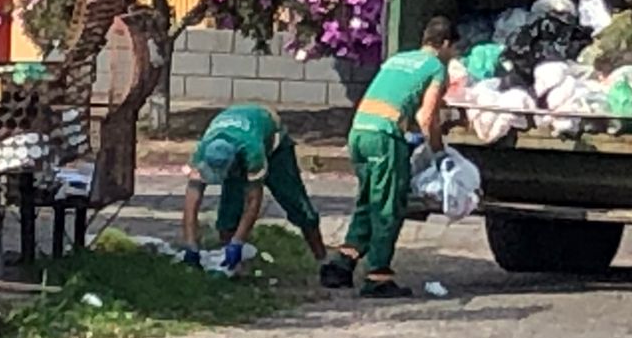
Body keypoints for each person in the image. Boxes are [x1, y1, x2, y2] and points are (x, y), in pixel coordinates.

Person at [321, 16, 458, 298]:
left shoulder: (398, 59)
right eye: (453, 49)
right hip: (384, 137)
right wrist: (439, 152)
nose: (452, 55)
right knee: (387, 206)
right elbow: (426, 116)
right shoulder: (435, 67)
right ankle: (378, 277)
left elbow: (396, 98)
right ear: (445, 44)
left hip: (359, 131)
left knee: (367, 199)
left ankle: (343, 263)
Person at [181, 104, 327, 276]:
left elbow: (253, 202)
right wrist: (191, 245)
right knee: (228, 214)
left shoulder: (252, 151)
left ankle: (322, 259)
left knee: (295, 202)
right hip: (237, 136)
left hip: (273, 145)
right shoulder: (201, 152)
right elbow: (191, 202)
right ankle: (232, 268)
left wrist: (238, 242)